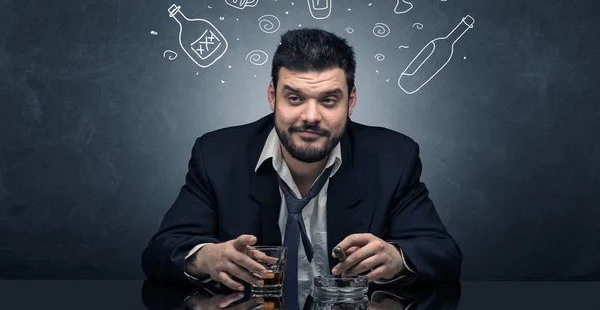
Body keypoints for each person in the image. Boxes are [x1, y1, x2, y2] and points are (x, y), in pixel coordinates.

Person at [141, 28, 462, 294]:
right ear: (272, 96)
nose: (310, 116)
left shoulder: (394, 157)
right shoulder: (215, 155)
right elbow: (160, 252)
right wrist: (205, 258)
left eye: (328, 100)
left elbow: (443, 254)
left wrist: (397, 257)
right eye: (294, 98)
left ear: (350, 101)